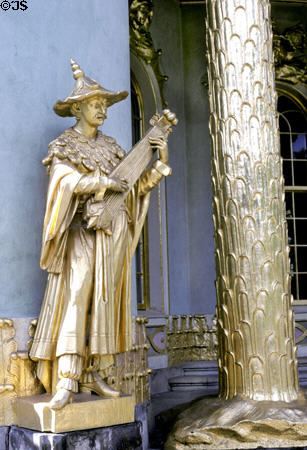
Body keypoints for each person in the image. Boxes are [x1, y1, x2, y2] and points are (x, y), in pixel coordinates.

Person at [29, 60, 171, 410]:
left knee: (105, 302)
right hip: (80, 232)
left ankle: (94, 372)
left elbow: (133, 190)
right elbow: (62, 182)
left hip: (112, 236)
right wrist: (99, 182)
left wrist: (158, 158)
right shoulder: (64, 144)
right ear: (77, 107)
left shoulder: (112, 147)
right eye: (96, 104)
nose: (103, 110)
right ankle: (66, 377)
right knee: (77, 297)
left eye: (106, 104)